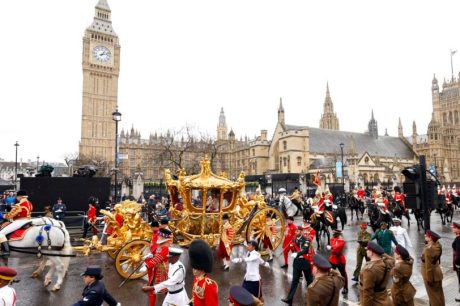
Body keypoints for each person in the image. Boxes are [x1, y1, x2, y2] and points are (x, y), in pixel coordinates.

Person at [281, 225, 313, 305]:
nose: (296, 232)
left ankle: (313, 297)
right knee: (294, 281)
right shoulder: (294, 239)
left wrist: (297, 254)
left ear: (301, 231)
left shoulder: (306, 239)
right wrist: (291, 248)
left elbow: (305, 250)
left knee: (309, 281)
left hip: (305, 262)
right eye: (296, 231)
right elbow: (293, 248)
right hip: (297, 263)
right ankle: (289, 299)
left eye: (298, 231)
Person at [359, 241, 395, 306]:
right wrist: (381, 253)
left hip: (376, 301)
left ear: (372, 252)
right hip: (384, 298)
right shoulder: (387, 263)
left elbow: (368, 294)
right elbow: (391, 259)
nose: (366, 251)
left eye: (367, 250)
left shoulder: (369, 270)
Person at [143, 228, 172, 306]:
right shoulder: (161, 244)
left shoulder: (165, 248)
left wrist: (147, 264)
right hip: (157, 269)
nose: (158, 237)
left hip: (162, 271)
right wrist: (151, 255)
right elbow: (156, 254)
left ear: (163, 238)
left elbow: (157, 259)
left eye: (160, 236)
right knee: (155, 289)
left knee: (161, 289)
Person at [0, 190, 33, 256]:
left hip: (20, 222)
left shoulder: (19, 205)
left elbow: (9, 216)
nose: (16, 198)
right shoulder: (30, 204)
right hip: (28, 221)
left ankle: (6, 251)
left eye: (17, 197)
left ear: (20, 197)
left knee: (1, 233)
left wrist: (2, 215)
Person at [189, 239, 218, 306]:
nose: (194, 270)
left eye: (196, 268)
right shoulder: (196, 279)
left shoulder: (209, 286)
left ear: (202, 268)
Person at [421, 230, 445, 306]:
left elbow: (429, 265)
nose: (425, 236)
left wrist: (429, 278)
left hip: (431, 275)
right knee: (438, 295)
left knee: (434, 297)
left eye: (426, 235)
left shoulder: (429, 249)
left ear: (430, 237)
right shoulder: (437, 245)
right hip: (436, 273)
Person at [327, 230, 348, 294]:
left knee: (343, 274)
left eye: (334, 234)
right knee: (330, 273)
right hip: (333, 258)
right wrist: (332, 247)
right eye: (333, 234)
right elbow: (333, 244)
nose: (333, 235)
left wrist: (332, 247)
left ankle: (345, 287)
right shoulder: (332, 239)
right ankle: (332, 287)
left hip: (340, 259)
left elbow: (337, 246)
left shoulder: (342, 241)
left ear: (338, 234)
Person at [452, 221, 460, 302]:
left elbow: (458, 254)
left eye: (454, 228)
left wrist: (457, 264)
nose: (453, 229)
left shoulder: (458, 239)